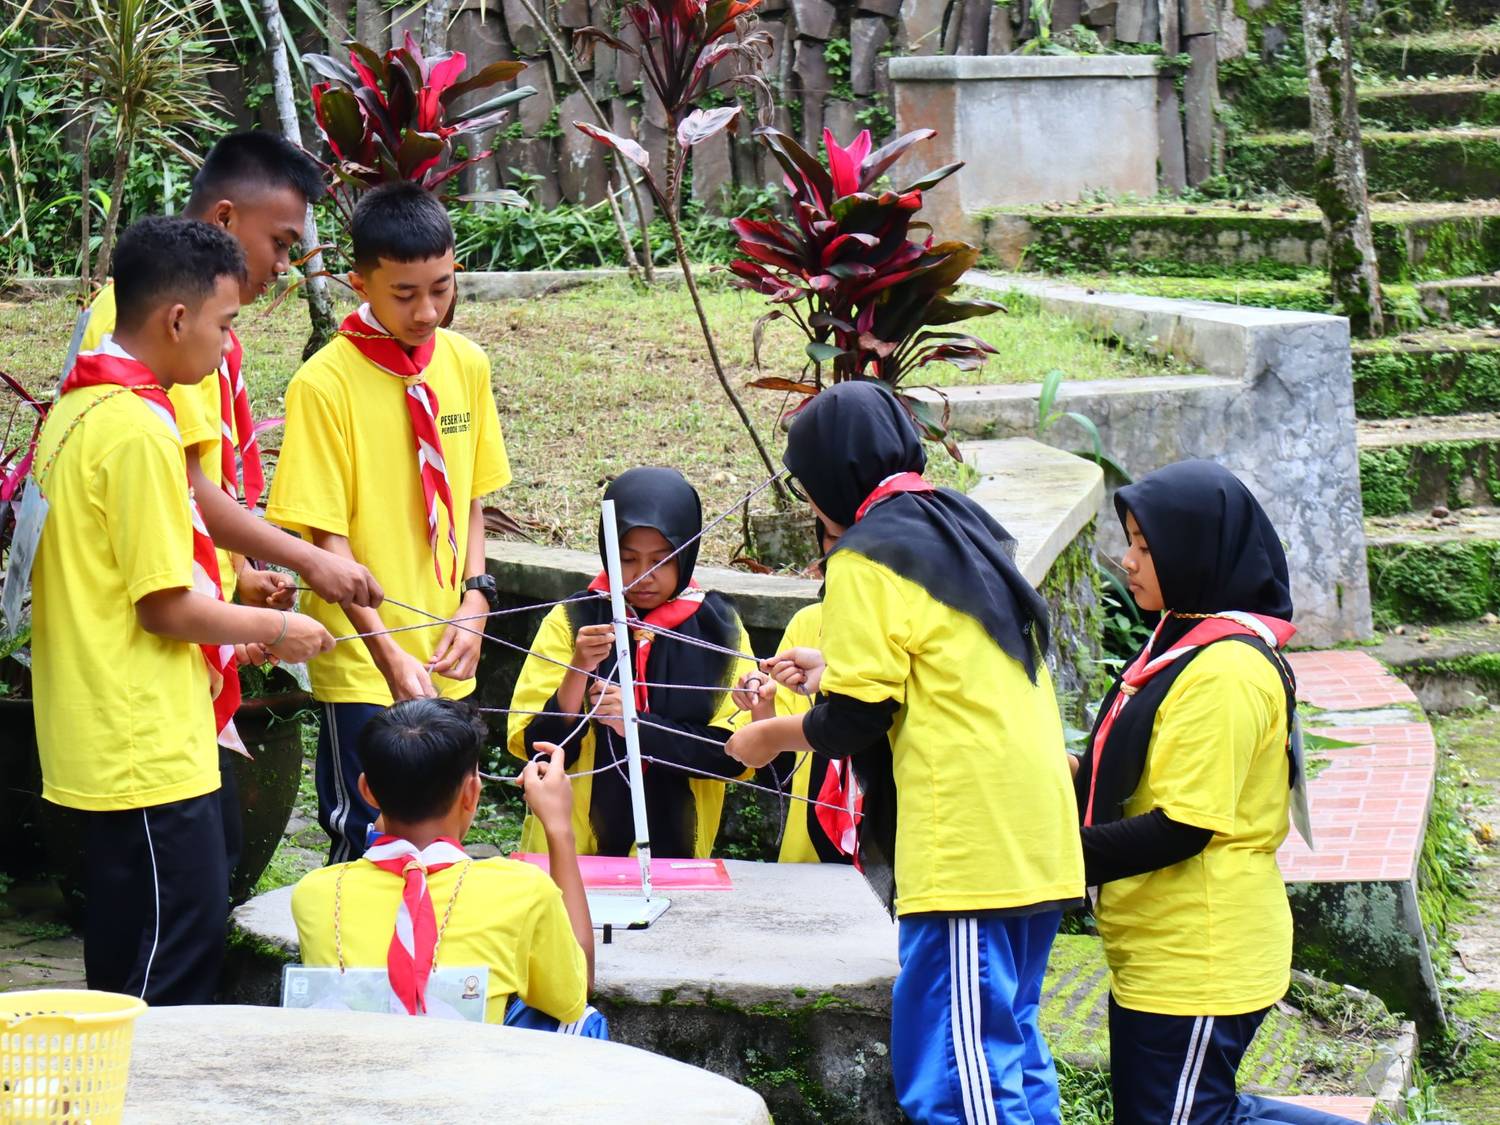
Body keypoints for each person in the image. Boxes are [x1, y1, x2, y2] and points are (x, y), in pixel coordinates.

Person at [726, 381, 1085, 1125]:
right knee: (1010, 1047)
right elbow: (942, 672)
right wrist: (830, 670)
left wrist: (770, 736)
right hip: (1036, 834)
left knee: (960, 1075)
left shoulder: (865, 556)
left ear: (825, 480)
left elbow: (857, 718)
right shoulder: (963, 525)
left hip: (967, 849)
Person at [31, 217, 334, 1004]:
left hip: (109, 727)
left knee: (131, 937)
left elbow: (124, 570)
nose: (226, 344)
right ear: (176, 319)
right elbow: (163, 605)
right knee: (179, 941)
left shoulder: (80, 406)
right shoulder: (133, 428)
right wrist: (278, 628)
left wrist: (239, 595)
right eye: (225, 324)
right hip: (144, 736)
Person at [79, 131, 382, 884]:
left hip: (184, 665)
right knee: (180, 895)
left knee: (207, 874)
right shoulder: (157, 338)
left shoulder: (183, 331)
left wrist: (245, 569)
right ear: (223, 220)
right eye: (278, 241)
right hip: (147, 693)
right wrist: (304, 566)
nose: (283, 264)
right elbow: (189, 496)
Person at [1072, 461, 1345, 1125]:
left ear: (1195, 550)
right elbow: (1128, 765)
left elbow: (1183, 826)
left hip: (1201, 954)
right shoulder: (1184, 641)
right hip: (1164, 946)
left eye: (1144, 546)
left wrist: (1050, 859)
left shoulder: (1225, 670)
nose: (1128, 561)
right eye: (1130, 541)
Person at [267, 182, 511, 863]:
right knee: (367, 832)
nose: (427, 309)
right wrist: (388, 654)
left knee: (447, 835)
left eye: (442, 286)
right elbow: (325, 540)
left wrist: (477, 599)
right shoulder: (324, 385)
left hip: (446, 650)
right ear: (360, 283)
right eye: (404, 294)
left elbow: (469, 496)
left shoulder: (466, 365)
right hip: (365, 661)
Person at [292, 699, 604, 1034]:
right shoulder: (522, 890)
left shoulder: (315, 893)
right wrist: (559, 830)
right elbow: (576, 990)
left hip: (357, 1078)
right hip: (465, 1081)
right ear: (472, 792)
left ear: (367, 790)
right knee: (582, 1021)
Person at [507, 467, 755, 859]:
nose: (644, 576)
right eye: (627, 558)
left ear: (687, 552)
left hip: (680, 854)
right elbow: (534, 747)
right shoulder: (573, 619)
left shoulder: (718, 627)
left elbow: (735, 756)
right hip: (571, 850)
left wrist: (636, 726)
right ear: (607, 551)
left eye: (662, 559)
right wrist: (577, 670)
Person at [730, 519, 854, 864]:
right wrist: (762, 707)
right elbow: (780, 770)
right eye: (834, 538)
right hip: (809, 859)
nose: (848, 553)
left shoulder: (912, 630)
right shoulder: (808, 623)